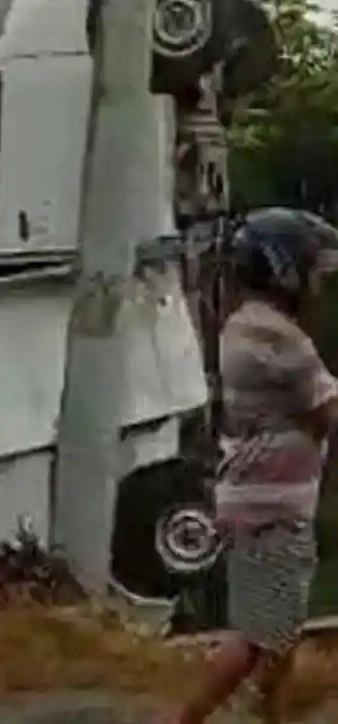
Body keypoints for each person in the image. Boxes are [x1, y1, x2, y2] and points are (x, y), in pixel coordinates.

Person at [165, 207, 338, 724]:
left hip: (265, 498)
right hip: (271, 504)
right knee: (255, 638)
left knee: (278, 625)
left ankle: (273, 716)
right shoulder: (275, 337)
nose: (319, 284)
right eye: (314, 271)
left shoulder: (253, 326)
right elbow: (327, 412)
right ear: (282, 269)